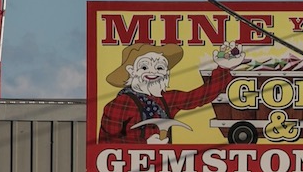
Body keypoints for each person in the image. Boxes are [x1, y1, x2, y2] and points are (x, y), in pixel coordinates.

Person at [98, 41, 245, 144]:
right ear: (131, 71)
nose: (153, 72)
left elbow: (200, 96)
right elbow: (107, 145)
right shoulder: (119, 104)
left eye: (160, 67)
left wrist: (224, 67)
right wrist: (143, 146)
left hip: (166, 170)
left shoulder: (167, 99)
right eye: (144, 67)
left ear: (166, 72)